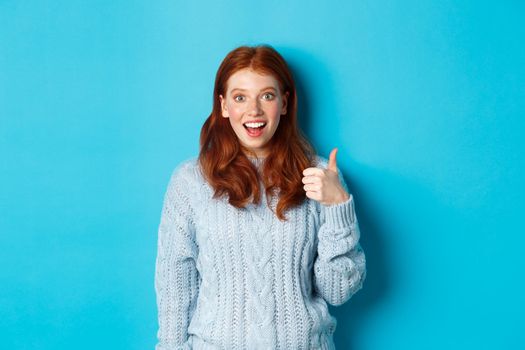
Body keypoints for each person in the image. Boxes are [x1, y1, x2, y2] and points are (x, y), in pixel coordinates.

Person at [154, 44, 366, 350]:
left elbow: (337, 290)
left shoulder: (320, 176)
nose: (253, 111)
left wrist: (338, 206)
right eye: (240, 97)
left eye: (266, 95)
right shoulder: (190, 182)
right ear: (224, 105)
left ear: (283, 103)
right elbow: (175, 288)